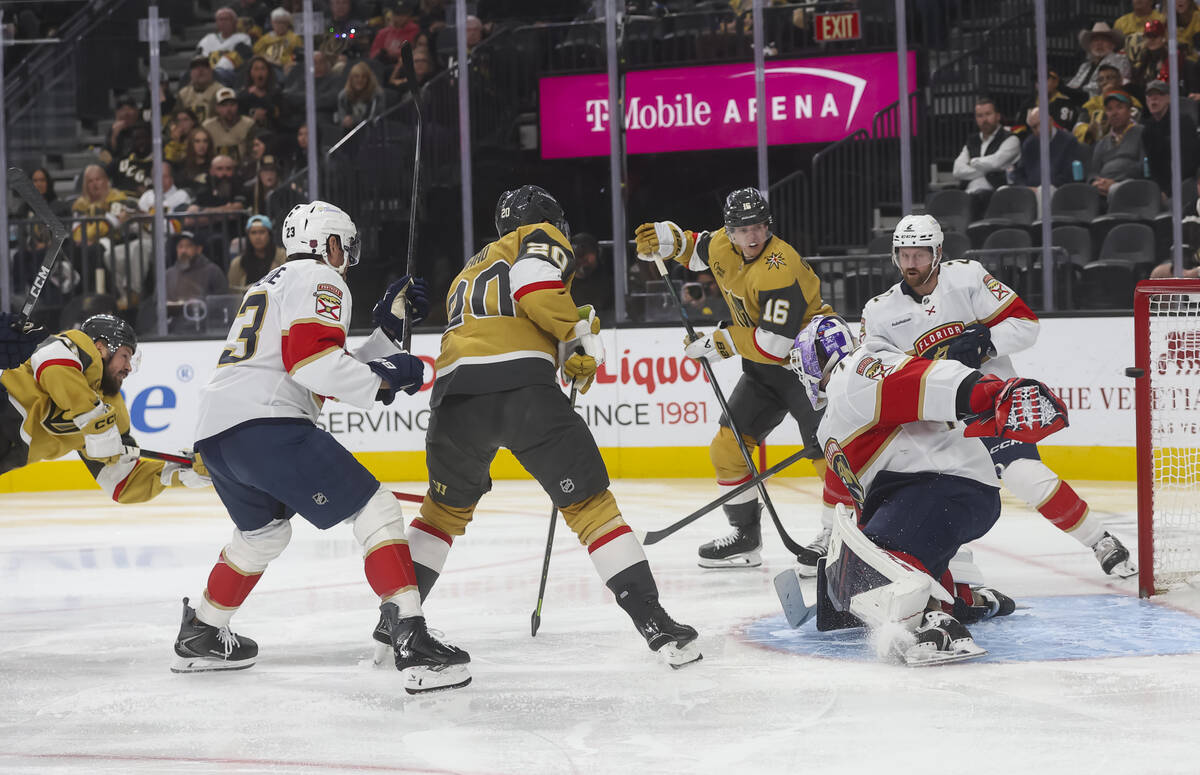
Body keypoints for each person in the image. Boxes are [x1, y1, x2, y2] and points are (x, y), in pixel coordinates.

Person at [382, 185, 700, 667]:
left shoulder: (469, 269)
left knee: (441, 515)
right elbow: (532, 285)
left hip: (453, 397)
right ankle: (654, 623)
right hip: (521, 389)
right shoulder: (540, 236)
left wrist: (566, 347)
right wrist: (576, 333)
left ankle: (394, 625)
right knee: (591, 508)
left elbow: (503, 320)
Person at [173, 201, 471, 691]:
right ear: (330, 244)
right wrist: (384, 377)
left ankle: (202, 632)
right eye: (346, 246)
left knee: (263, 536)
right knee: (376, 508)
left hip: (218, 433)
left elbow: (313, 364)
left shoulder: (270, 282)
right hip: (267, 423)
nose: (347, 258)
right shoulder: (321, 278)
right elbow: (311, 364)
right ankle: (411, 638)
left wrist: (386, 333)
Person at [856, 214, 1135, 578]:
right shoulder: (879, 312)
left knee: (1024, 475)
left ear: (937, 253)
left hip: (991, 406)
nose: (911, 264)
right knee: (929, 497)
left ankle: (1100, 541)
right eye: (904, 255)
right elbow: (870, 373)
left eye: (920, 255)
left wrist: (986, 342)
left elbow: (1025, 325)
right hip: (934, 424)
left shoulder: (968, 278)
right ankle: (945, 576)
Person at [787, 313, 1066, 664]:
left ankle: (939, 627)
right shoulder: (830, 421)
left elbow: (921, 379)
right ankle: (964, 601)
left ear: (814, 359)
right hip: (925, 494)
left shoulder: (856, 370)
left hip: (945, 484)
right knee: (874, 556)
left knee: (881, 561)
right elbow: (867, 498)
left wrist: (986, 393)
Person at [633, 187, 853, 571]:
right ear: (730, 231)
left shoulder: (779, 267)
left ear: (769, 226)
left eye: (759, 227)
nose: (752, 236)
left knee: (830, 455)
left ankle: (841, 539)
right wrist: (665, 238)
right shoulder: (724, 243)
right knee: (727, 450)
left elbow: (775, 344)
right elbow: (695, 250)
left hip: (810, 367)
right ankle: (745, 538)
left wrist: (719, 342)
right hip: (763, 370)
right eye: (743, 229)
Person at [1, 314, 210, 497]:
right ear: (100, 347)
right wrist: (96, 423)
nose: (128, 367)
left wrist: (176, 473)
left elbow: (122, 482)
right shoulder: (81, 348)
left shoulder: (111, 408)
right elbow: (50, 361)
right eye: (125, 356)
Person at [952, 97, 1021, 218]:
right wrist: (987, 170)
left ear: (998, 116)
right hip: (968, 195)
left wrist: (972, 162)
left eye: (988, 114)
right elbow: (957, 171)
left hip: (995, 196)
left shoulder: (1011, 139)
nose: (984, 119)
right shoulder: (972, 140)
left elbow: (996, 162)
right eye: (980, 116)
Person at [1142, 79, 1200, 198]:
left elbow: (1188, 163)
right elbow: (1151, 166)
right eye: (1150, 95)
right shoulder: (1147, 129)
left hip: (1183, 184)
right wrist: (1156, 190)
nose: (1153, 99)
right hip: (1159, 188)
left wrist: (1168, 192)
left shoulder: (1183, 122)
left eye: (1159, 94)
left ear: (1169, 98)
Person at [1089, 89, 1147, 197]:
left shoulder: (1142, 133)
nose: (1114, 113)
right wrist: (1096, 182)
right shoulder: (1102, 142)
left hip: (1131, 186)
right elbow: (1093, 173)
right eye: (1109, 109)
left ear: (1129, 111)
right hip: (1102, 188)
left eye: (1119, 107)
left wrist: (1114, 183)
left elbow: (1145, 166)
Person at [1011, 107, 1083, 189]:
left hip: (1058, 191)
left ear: (1050, 121)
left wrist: (1043, 189)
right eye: (1034, 127)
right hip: (1030, 192)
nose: (1038, 130)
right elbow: (1018, 173)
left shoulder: (1069, 141)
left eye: (1041, 124)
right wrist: (1026, 188)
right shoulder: (1029, 143)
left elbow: (1069, 175)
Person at [1066, 22, 1131, 99]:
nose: (1099, 44)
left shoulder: (1120, 60)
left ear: (1112, 45)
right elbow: (1073, 84)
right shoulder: (1085, 66)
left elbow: (1109, 85)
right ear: (1090, 46)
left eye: (1103, 40)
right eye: (1095, 40)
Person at [227, 213, 285, 294]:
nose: (257, 237)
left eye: (262, 232)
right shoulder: (238, 263)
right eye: (253, 232)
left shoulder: (282, 257)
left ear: (269, 234)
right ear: (248, 236)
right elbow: (233, 292)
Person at [202, 87, 258, 163]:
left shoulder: (248, 124)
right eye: (224, 105)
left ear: (237, 106)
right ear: (217, 108)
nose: (228, 109)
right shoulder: (208, 126)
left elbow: (253, 151)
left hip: (242, 166)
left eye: (232, 104)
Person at [335, 62, 382, 134]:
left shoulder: (377, 94)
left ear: (368, 79)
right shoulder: (343, 95)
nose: (360, 80)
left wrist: (353, 120)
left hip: (371, 132)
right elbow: (341, 116)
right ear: (351, 79)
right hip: (349, 132)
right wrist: (344, 121)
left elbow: (373, 120)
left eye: (364, 77)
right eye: (356, 77)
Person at [176, 57, 221, 123]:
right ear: (190, 73)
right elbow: (175, 120)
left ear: (211, 71)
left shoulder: (221, 91)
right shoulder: (183, 94)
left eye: (205, 66)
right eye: (195, 67)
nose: (200, 70)